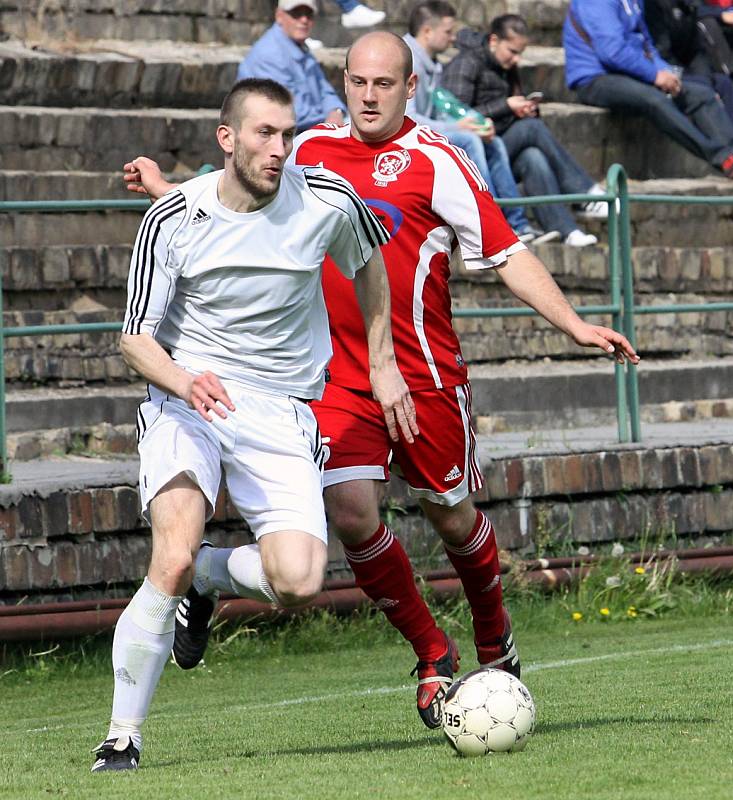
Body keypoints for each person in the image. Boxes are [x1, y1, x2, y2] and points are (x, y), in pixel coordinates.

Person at [124, 33, 639, 733]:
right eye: (357, 82)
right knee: (354, 512)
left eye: (383, 84)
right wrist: (166, 193)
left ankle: (497, 641)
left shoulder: (439, 161)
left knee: (454, 520)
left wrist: (574, 324)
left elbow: (506, 253)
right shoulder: (305, 152)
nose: (368, 96)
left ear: (409, 89)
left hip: (425, 377)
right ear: (343, 83)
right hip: (338, 378)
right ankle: (433, 653)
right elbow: (239, 208)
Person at [91, 77, 417, 773]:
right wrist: (182, 380)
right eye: (265, 134)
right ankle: (123, 736)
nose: (280, 148)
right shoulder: (172, 217)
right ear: (227, 139)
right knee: (170, 554)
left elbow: (370, 266)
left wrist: (384, 363)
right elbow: (134, 340)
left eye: (287, 133)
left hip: (280, 408)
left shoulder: (326, 200)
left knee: (299, 583)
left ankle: (209, 577)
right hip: (188, 400)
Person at [441, 14, 607, 247]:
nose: (516, 59)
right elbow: (456, 114)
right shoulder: (466, 63)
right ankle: (584, 193)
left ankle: (566, 230)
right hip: (475, 152)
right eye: (512, 51)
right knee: (532, 129)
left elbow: (505, 111)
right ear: (494, 41)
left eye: (520, 53)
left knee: (534, 158)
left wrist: (524, 109)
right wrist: (506, 105)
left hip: (498, 142)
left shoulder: (506, 66)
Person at [564, 0, 733, 178]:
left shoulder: (634, 2)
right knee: (655, 100)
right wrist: (654, 75)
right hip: (595, 79)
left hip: (629, 74)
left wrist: (667, 73)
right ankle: (722, 157)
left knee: (700, 94)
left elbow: (646, 44)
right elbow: (612, 51)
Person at [404, 0, 540, 242]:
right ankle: (490, 220)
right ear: (427, 31)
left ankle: (517, 223)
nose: (452, 38)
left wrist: (475, 121)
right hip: (404, 139)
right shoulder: (407, 59)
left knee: (493, 142)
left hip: (426, 132)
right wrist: (459, 128)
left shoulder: (431, 62)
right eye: (447, 32)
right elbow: (407, 119)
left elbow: (441, 108)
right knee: (469, 140)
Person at [644, 0, 733, 149]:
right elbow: (662, 52)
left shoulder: (689, 5)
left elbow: (697, 52)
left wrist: (704, 79)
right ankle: (732, 151)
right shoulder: (653, 6)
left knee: (723, 83)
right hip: (664, 71)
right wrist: (700, 83)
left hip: (688, 70)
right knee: (703, 90)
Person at [236, 0, 346, 131]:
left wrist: (336, 111)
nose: (304, 20)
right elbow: (288, 112)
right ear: (279, 16)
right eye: (296, 14)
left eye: (309, 14)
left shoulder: (299, 48)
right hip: (279, 138)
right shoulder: (270, 54)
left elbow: (325, 91)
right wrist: (330, 123)